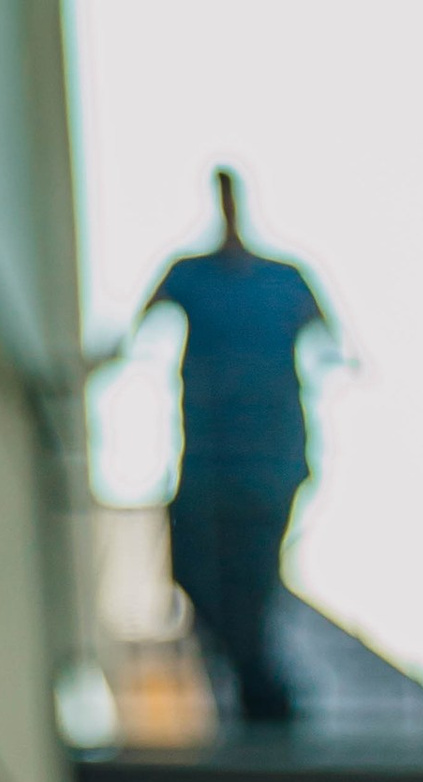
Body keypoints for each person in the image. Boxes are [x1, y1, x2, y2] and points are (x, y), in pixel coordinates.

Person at [140, 171, 335, 726]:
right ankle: (259, 688)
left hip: (265, 466)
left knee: (249, 584)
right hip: (209, 468)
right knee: (198, 575)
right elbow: (141, 324)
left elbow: (331, 340)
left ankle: (263, 694)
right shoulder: (191, 277)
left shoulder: (283, 280)